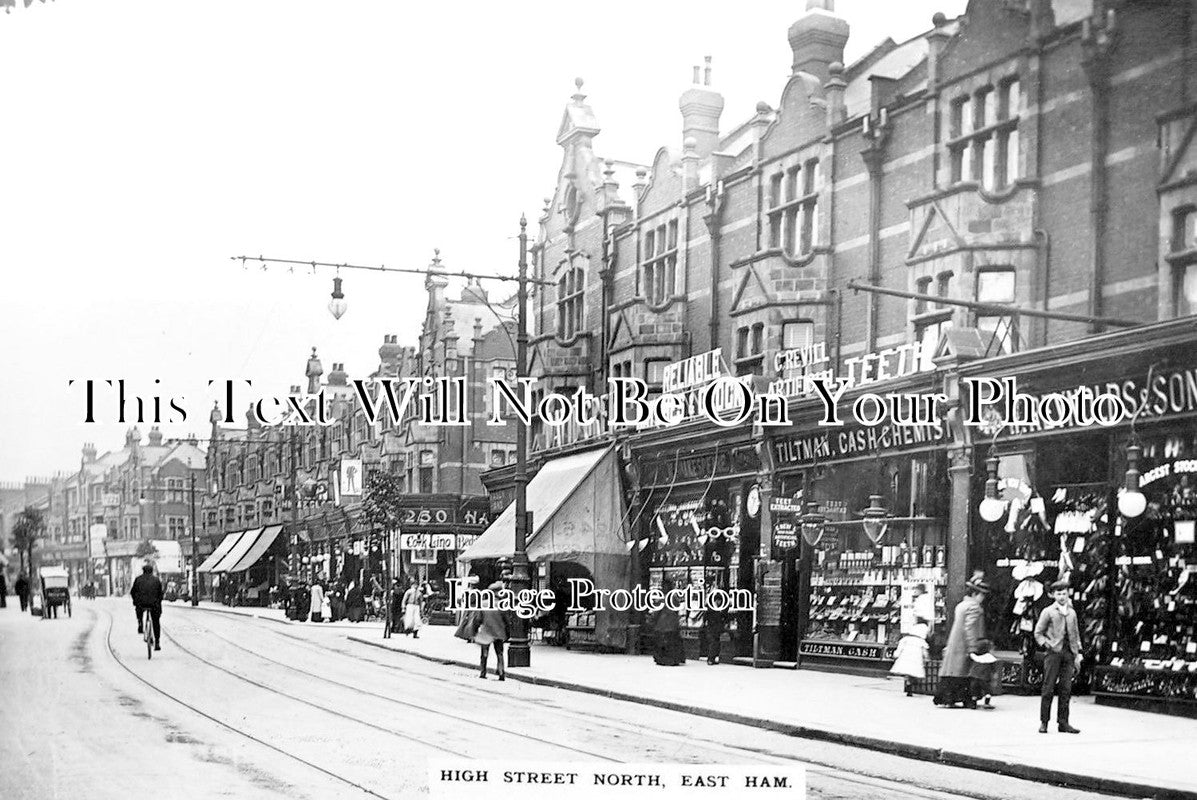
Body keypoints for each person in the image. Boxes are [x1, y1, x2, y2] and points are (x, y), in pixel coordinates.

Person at [1035, 578, 1083, 734]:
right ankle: (1044, 722)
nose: (1062, 596)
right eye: (1058, 594)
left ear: (1068, 594)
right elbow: (1038, 633)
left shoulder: (1072, 613)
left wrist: (1078, 652)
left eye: (1064, 593)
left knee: (1066, 689)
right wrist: (1046, 644)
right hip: (1053, 653)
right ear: (1053, 595)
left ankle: (1063, 723)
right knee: (1048, 688)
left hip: (1069, 654)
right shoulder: (1048, 612)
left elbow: (1075, 633)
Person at [933, 575, 989, 708]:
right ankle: (966, 699)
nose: (983, 598)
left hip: (955, 643)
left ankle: (948, 699)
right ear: (975, 594)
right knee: (965, 673)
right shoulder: (974, 608)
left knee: (953, 673)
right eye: (982, 595)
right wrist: (972, 647)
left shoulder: (961, 605)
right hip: (964, 646)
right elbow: (970, 628)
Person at [890, 583, 934, 693]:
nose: (915, 592)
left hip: (920, 628)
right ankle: (912, 683)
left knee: (908, 667)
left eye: (916, 590)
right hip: (921, 633)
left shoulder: (922, 601)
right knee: (915, 666)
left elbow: (924, 616)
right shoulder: (924, 600)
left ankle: (909, 683)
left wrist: (896, 654)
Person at [475, 582, 509, 680]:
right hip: (498, 632)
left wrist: (476, 630)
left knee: (484, 653)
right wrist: (507, 633)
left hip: (486, 632)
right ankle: (501, 673)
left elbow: (478, 619)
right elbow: (506, 620)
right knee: (499, 653)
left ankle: (483, 672)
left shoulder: (483, 604)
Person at [648, 581, 686, 666]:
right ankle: (674, 659)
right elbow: (677, 609)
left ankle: (663, 659)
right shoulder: (674, 598)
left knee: (662, 643)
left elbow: (656, 611)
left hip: (662, 625)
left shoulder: (662, 600)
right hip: (672, 625)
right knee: (672, 643)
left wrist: (652, 619)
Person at [131, 562, 164, 650]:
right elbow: (161, 594)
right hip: (154, 605)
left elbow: (133, 592)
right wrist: (158, 602)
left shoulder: (138, 579)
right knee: (156, 621)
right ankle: (157, 642)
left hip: (141, 604)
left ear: (143, 571)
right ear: (152, 571)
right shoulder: (156, 580)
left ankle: (140, 623)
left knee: (139, 609)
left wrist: (135, 601)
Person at [702, 590, 727, 665]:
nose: (720, 603)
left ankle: (712, 658)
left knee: (715, 643)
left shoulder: (715, 608)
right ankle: (710, 659)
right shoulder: (712, 608)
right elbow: (706, 617)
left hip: (715, 628)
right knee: (713, 643)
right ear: (717, 600)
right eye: (719, 601)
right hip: (712, 628)